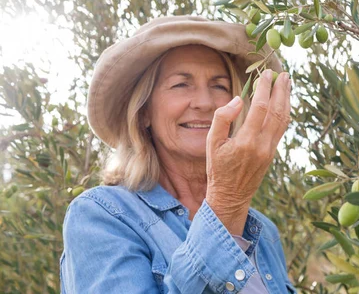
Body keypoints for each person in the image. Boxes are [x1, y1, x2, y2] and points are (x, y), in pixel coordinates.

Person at [60, 15, 296, 293]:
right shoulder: (101, 215)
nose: (205, 102)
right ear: (144, 111)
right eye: (181, 84)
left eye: (219, 86)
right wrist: (227, 204)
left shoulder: (263, 232)